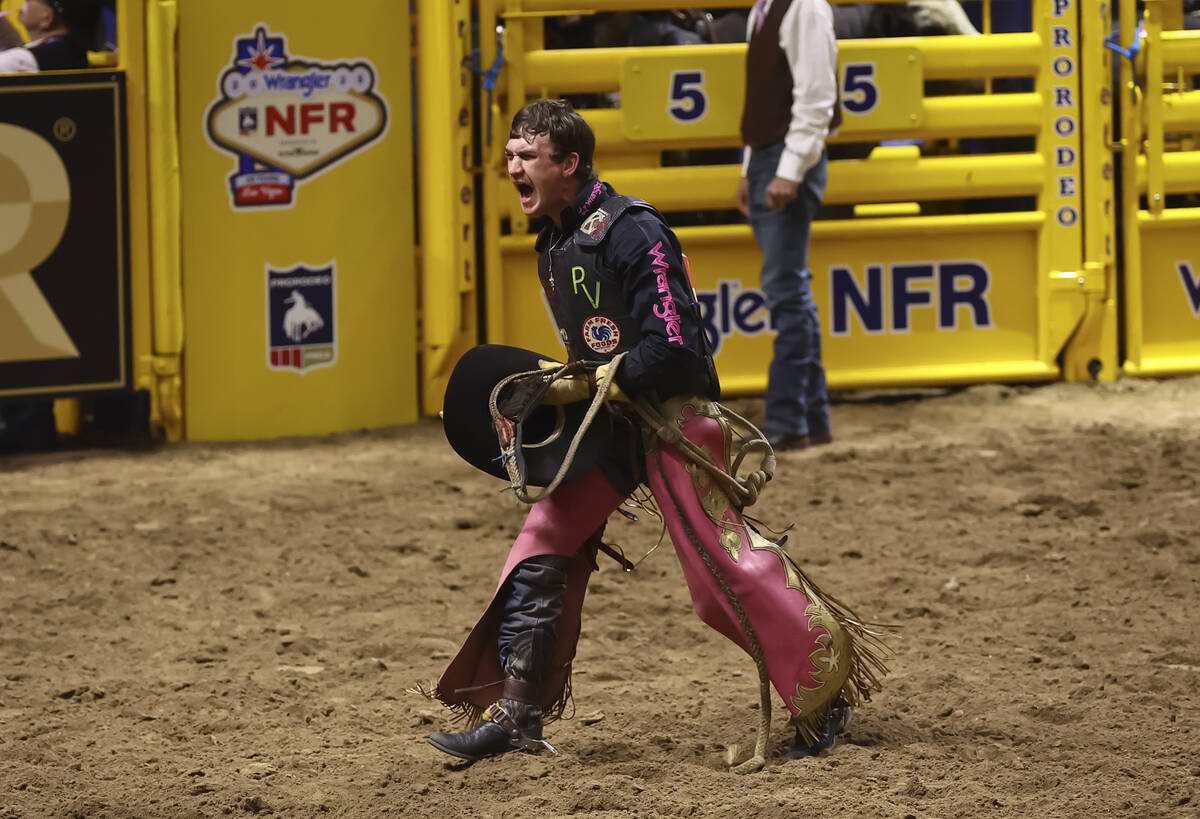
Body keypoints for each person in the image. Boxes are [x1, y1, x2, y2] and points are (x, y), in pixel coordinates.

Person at [425, 99, 885, 769]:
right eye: (511, 155)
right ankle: (517, 711)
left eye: (527, 156)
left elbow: (674, 346)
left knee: (716, 581)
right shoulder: (555, 240)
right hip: (615, 423)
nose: (512, 166)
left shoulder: (633, 231)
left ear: (569, 164)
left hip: (673, 419)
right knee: (543, 535)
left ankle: (820, 694)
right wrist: (579, 384)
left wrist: (582, 384)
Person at [736, 0, 839, 452]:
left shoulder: (803, 7)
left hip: (780, 158)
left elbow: (817, 98)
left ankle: (787, 418)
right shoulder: (771, 8)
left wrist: (789, 168)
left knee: (785, 288)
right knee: (789, 287)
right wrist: (752, 166)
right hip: (771, 156)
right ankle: (808, 417)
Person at [0, 0, 98, 73]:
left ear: (46, 19)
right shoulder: (73, 50)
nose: (25, 2)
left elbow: (13, 58)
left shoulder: (22, 59)